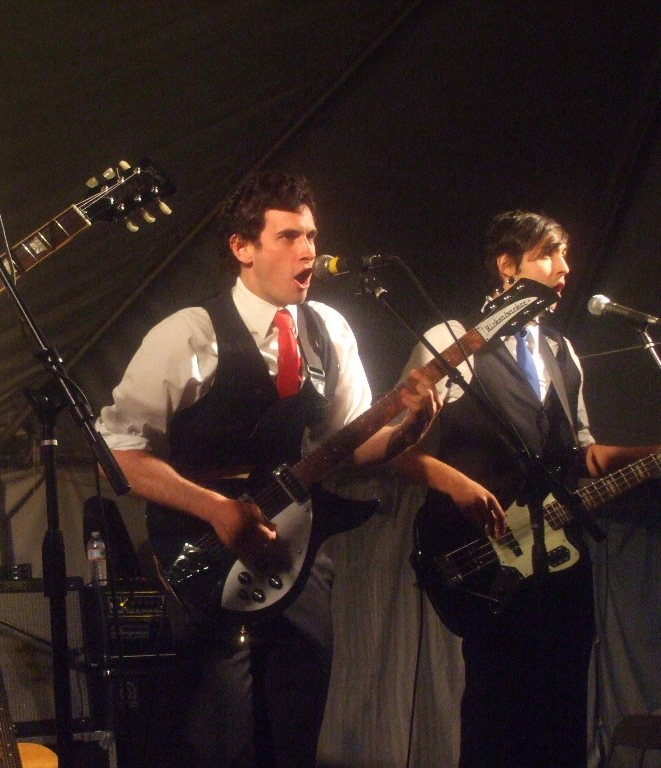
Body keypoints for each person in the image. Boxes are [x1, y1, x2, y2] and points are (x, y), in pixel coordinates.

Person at [96, 171, 440, 768]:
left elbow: (350, 446)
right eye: (288, 237)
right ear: (242, 247)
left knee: (295, 740)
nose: (308, 251)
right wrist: (215, 509)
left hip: (299, 565)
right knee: (218, 746)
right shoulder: (188, 334)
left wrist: (410, 427)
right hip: (204, 566)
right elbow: (115, 455)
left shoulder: (328, 330)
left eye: (311, 236)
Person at [393, 210, 661, 768]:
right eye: (547, 255)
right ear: (507, 266)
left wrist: (652, 454)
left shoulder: (562, 352)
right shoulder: (452, 341)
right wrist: (456, 483)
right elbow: (395, 448)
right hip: (487, 559)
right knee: (497, 711)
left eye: (565, 255)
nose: (565, 268)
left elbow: (584, 455)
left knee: (563, 707)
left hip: (561, 562)